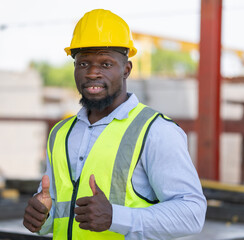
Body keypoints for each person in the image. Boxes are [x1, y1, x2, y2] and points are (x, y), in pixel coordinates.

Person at [23, 9, 206, 240]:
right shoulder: (60, 133)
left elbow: (192, 213)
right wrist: (42, 218)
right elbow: (60, 214)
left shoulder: (156, 131)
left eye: (106, 64)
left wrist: (115, 218)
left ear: (126, 70)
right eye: (83, 63)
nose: (92, 73)